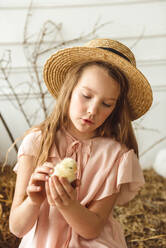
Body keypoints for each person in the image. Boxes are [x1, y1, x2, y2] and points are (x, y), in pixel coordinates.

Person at [9, 38, 153, 248]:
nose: (93, 110)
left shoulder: (116, 156)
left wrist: (68, 205)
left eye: (106, 104)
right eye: (86, 95)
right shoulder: (37, 143)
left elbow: (93, 228)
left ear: (115, 109)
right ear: (69, 90)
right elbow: (17, 227)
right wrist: (34, 200)